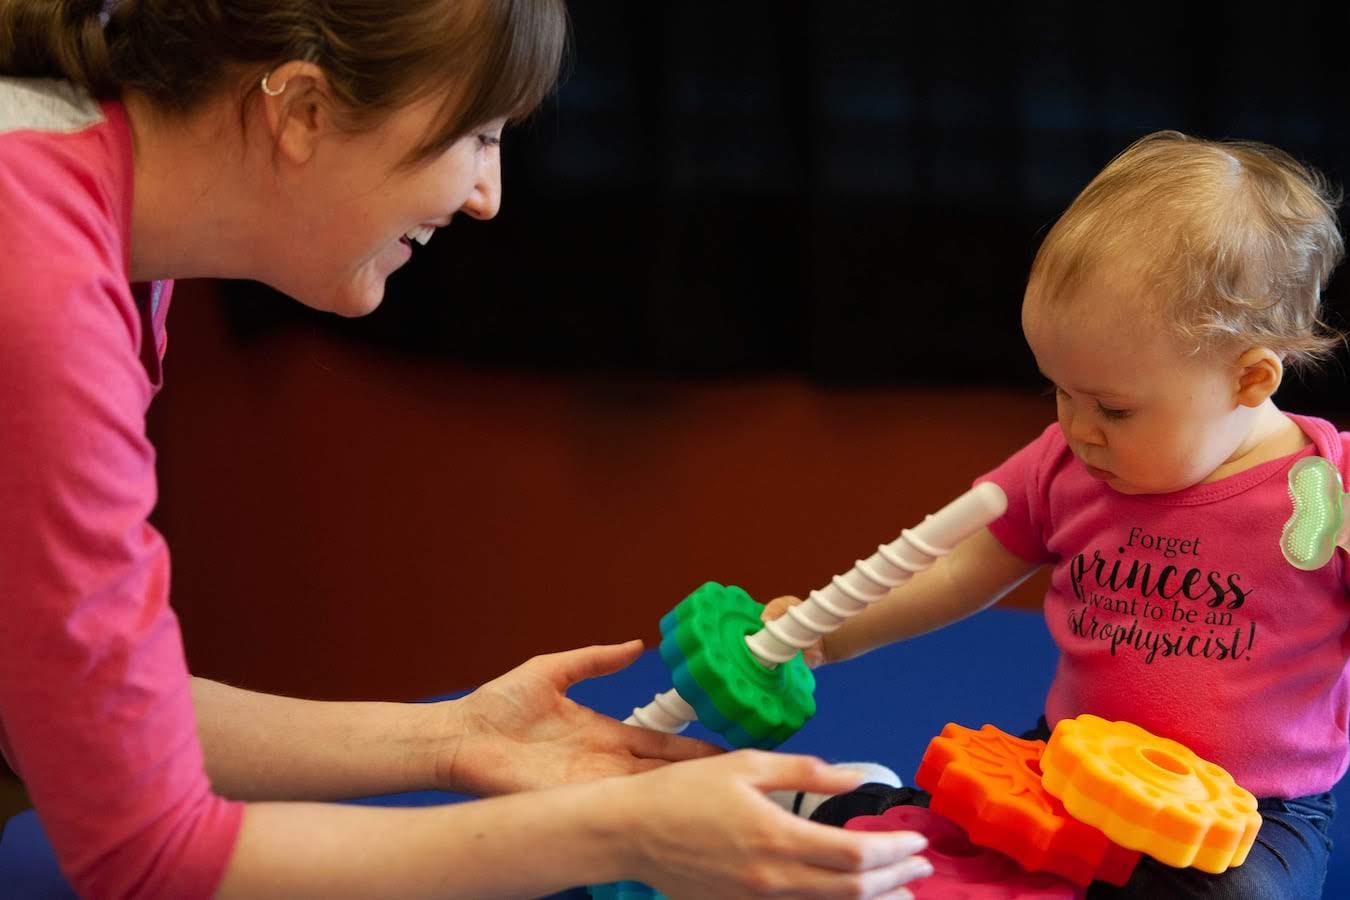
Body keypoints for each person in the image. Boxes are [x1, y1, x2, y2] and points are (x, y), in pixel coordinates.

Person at [0, 2, 936, 897]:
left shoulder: (112, 227)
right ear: (305, 109)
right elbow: (149, 855)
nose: (488, 195)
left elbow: (56, 704)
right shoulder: (42, 283)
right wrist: (622, 831)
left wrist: (453, 739)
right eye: (478, 137)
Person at [765, 131, 1345, 898]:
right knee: (932, 859)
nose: (1078, 428)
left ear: (1249, 379)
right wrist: (828, 633)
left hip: (1252, 813)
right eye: (1060, 393)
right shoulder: (1068, 465)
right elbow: (956, 566)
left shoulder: (1326, 498)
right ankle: (854, 800)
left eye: (1112, 407)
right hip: (1064, 770)